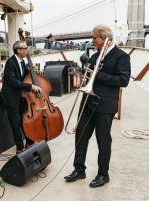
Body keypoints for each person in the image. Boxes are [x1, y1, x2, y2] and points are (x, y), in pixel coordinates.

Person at [64, 24, 131, 188]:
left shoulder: (121, 57)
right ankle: (79, 170)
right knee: (80, 137)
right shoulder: (94, 56)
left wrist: (97, 74)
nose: (92, 40)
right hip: (87, 103)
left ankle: (103, 174)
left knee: (103, 141)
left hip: (105, 105)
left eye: (94, 37)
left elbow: (123, 80)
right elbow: (89, 77)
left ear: (103, 38)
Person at [0, 40, 42, 154]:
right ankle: (19, 147)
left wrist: (31, 71)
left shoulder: (22, 62)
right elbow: (14, 81)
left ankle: (29, 141)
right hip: (11, 98)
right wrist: (31, 86)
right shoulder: (10, 63)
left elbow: (23, 77)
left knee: (24, 121)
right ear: (19, 50)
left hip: (21, 97)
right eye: (25, 48)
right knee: (15, 124)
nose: (27, 50)